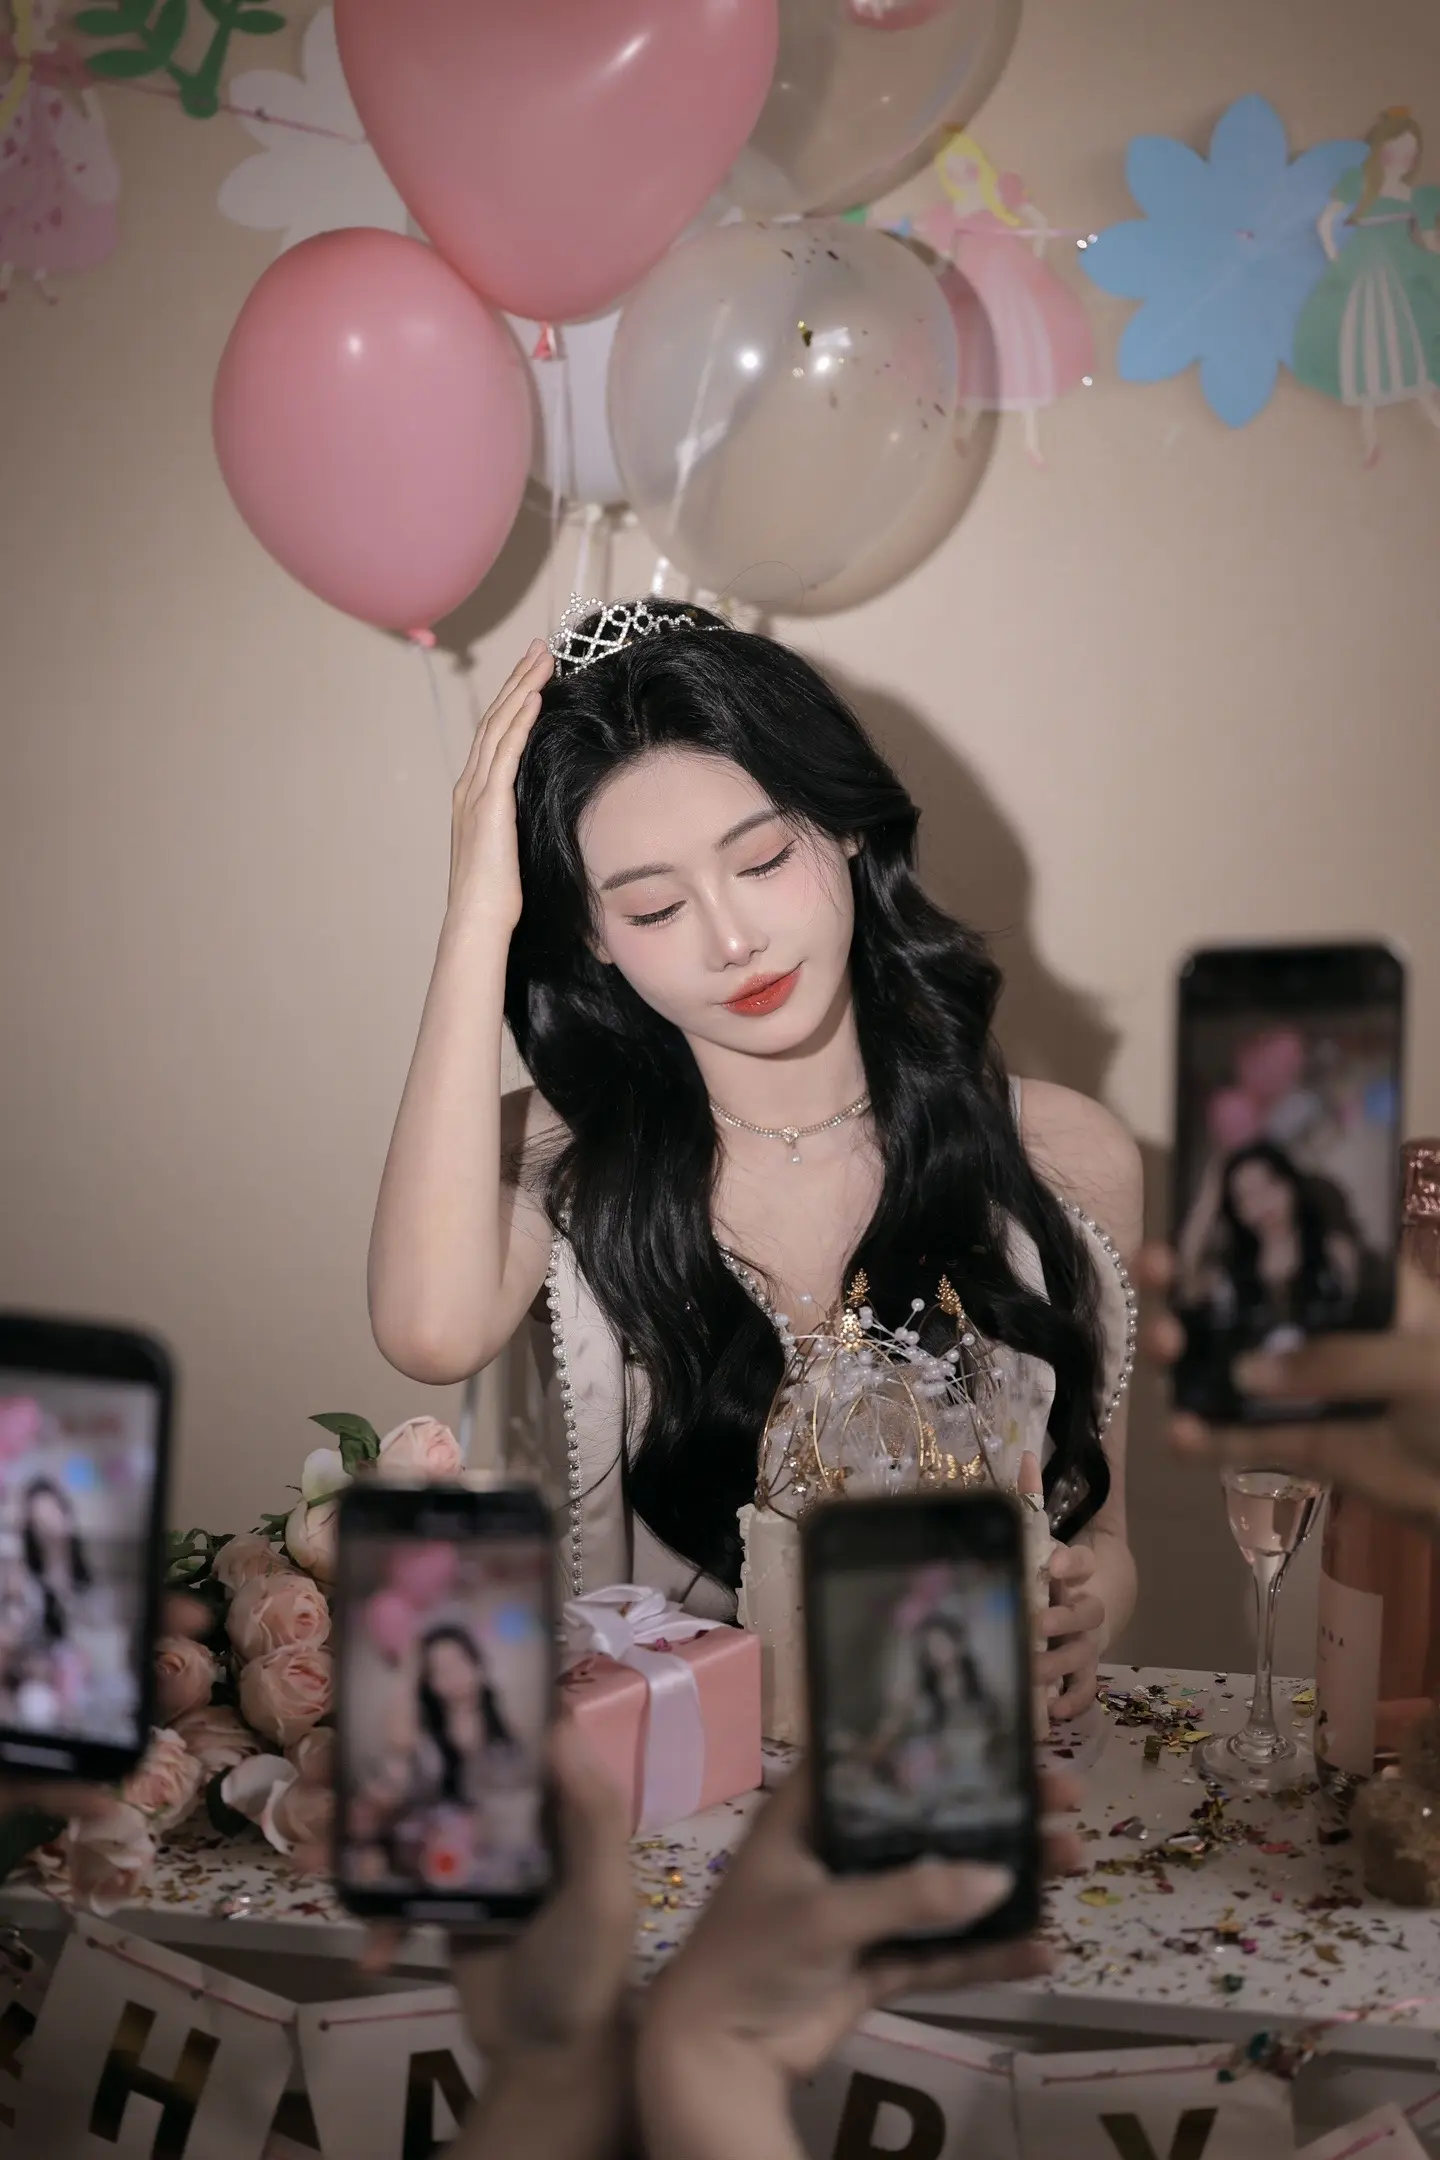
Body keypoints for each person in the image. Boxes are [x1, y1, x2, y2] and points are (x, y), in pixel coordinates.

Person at [369, 602, 1142, 1718]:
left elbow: (1106, 1535)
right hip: (667, 1803)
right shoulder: (555, 1156)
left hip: (974, 1776)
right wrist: (477, 914)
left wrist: (1093, 1601)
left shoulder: (1065, 1153)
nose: (732, 941)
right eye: (653, 908)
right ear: (590, 934)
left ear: (846, 825)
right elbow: (427, 1334)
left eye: (765, 859)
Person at [1176, 1140, 1365, 1355]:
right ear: (1237, 1212)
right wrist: (1210, 1196)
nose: (1263, 1203)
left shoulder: (1335, 1252)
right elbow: (1186, 1279)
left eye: (1270, 1185)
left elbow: (1358, 1325)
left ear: (1290, 1184)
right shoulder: (1232, 1275)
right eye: (1246, 1197)